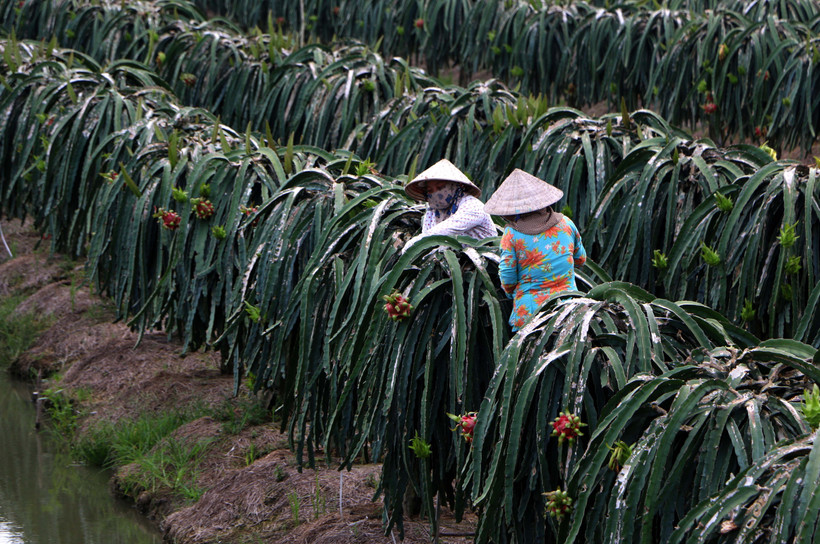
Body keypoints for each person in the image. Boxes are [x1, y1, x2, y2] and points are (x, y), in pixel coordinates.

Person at [483, 169, 586, 331]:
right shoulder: (566, 223)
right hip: (570, 308)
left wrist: (512, 292)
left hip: (530, 315)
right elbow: (580, 259)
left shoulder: (512, 234)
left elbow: (508, 280)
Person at [402, 159, 496, 253]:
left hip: (483, 260)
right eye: (430, 190)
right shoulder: (432, 211)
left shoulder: (472, 205)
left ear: (456, 185)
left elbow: (445, 230)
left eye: (440, 187)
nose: (436, 193)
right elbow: (428, 243)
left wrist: (412, 245)